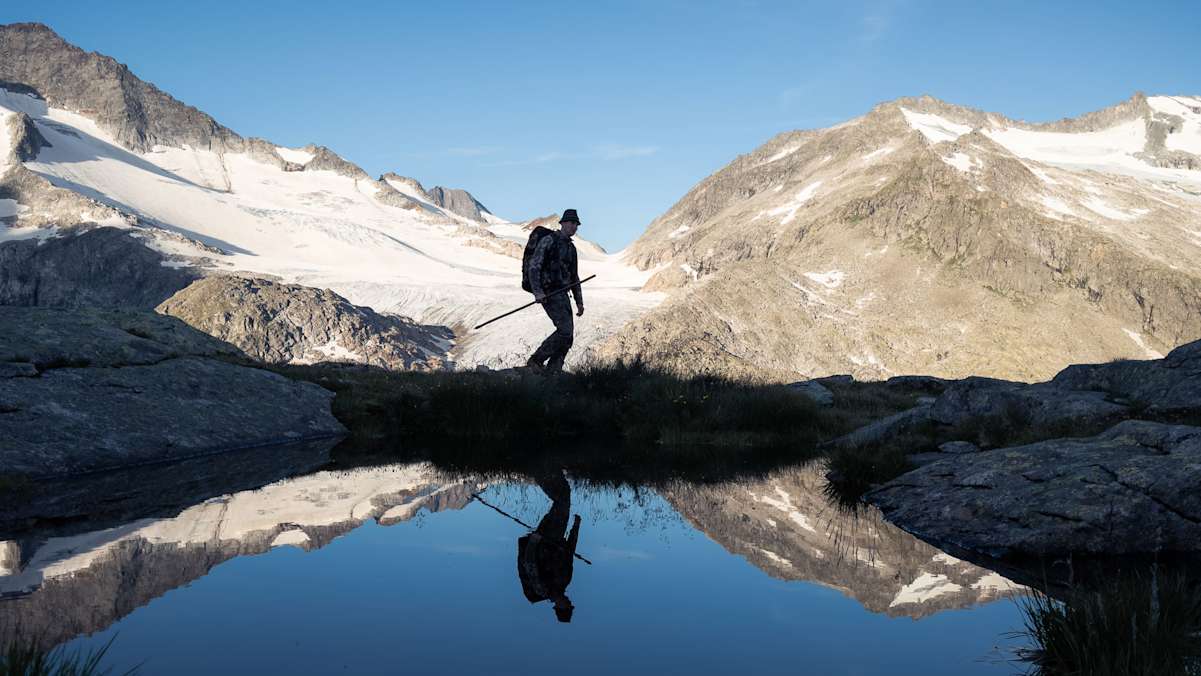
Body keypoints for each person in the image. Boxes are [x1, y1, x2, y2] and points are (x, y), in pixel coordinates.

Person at [517, 471, 582, 623]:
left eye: (568, 606)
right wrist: (576, 527)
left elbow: (529, 562)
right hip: (556, 537)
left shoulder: (542, 589)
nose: (570, 603)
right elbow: (569, 551)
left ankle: (541, 472)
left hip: (545, 537)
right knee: (564, 496)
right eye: (571, 606)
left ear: (560, 608)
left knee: (562, 500)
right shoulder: (565, 581)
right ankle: (549, 470)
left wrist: (534, 539)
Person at [525, 209, 585, 371]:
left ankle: (554, 368)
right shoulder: (548, 240)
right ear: (563, 223)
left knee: (568, 335)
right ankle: (536, 361)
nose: (574, 227)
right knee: (565, 331)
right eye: (572, 223)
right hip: (549, 293)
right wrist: (538, 291)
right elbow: (534, 267)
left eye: (576, 224)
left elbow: (574, 277)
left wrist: (579, 302)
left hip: (563, 293)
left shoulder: (571, 249)